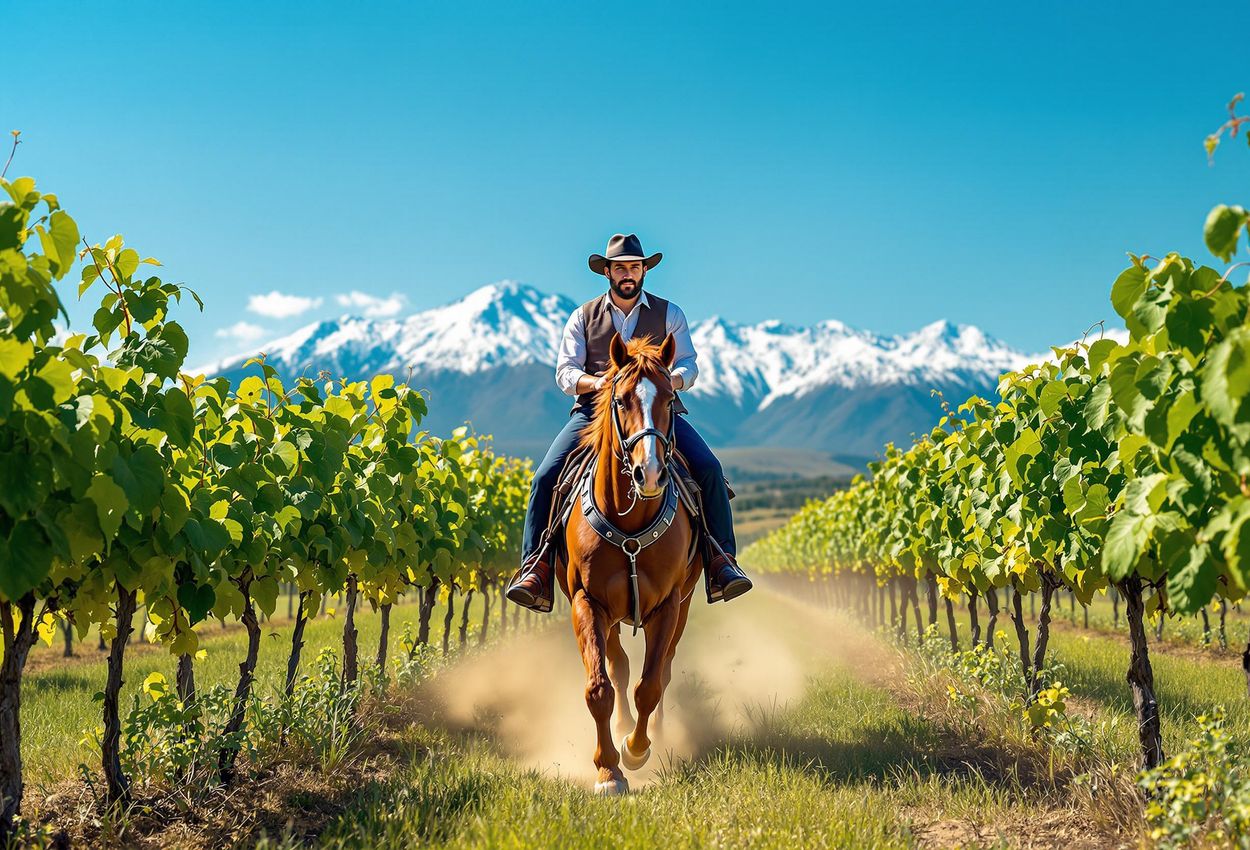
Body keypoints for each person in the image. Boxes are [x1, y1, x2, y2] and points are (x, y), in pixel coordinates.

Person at [506, 233, 753, 613]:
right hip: (594, 413)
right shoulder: (583, 317)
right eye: (620, 267)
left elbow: (689, 364)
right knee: (545, 477)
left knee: (708, 468)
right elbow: (565, 372)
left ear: (643, 270)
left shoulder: (669, 314)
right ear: (606, 271)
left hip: (654, 412)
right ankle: (535, 567)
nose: (628, 274)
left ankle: (722, 562)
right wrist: (598, 382)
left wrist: (668, 381)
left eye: (635, 267)